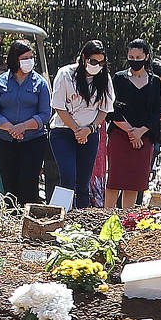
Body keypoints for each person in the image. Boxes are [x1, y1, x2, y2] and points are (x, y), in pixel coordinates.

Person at [48, 39, 113, 209]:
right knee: (68, 178)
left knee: (84, 183)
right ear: (84, 58)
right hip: (63, 132)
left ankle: (82, 219)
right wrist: (77, 130)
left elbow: (104, 110)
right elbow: (59, 107)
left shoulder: (104, 78)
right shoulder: (65, 74)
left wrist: (89, 129)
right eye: (93, 61)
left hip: (90, 133)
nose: (96, 65)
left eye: (100, 62)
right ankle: (63, 216)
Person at [0, 39, 51, 206]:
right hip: (5, 141)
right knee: (10, 185)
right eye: (25, 58)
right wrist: (11, 128)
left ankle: (28, 221)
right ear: (15, 59)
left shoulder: (40, 83)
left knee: (28, 184)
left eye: (31, 57)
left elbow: (45, 114)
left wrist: (23, 126)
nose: (29, 61)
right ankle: (12, 220)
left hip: (33, 141)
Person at [102, 39, 161, 211]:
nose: (134, 60)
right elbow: (111, 108)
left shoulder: (154, 82)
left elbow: (156, 112)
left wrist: (140, 132)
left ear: (146, 57)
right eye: (131, 56)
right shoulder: (118, 78)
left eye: (138, 56)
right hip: (120, 135)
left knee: (133, 182)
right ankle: (107, 217)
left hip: (144, 138)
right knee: (115, 179)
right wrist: (131, 132)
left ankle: (126, 218)